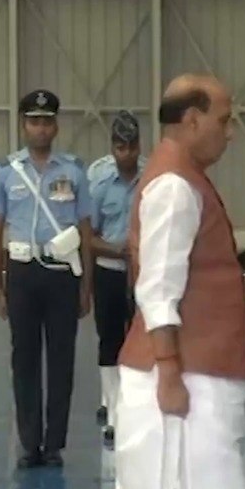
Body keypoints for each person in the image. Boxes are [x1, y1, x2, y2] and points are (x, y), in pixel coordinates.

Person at [114, 73, 245, 489]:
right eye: (224, 119)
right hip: (180, 378)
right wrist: (169, 372)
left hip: (194, 371)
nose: (229, 131)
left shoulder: (181, 177)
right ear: (192, 119)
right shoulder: (174, 186)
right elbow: (157, 288)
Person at [0, 89, 94, 468]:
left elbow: (85, 230)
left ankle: (54, 445)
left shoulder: (74, 171)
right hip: (22, 273)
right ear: (23, 125)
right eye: (34, 121)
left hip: (62, 274)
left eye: (47, 122)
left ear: (56, 126)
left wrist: (86, 286)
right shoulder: (5, 171)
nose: (41, 128)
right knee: (24, 359)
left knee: (62, 359)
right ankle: (30, 443)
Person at [88, 111, 144, 441]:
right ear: (112, 148)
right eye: (120, 147)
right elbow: (88, 235)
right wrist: (114, 250)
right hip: (109, 270)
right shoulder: (98, 182)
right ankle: (112, 409)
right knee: (109, 340)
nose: (127, 153)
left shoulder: (151, 178)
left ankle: (137, 407)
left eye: (132, 146)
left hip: (142, 272)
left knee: (141, 340)